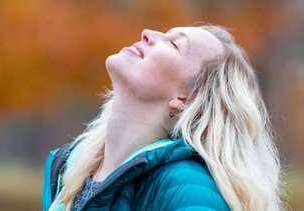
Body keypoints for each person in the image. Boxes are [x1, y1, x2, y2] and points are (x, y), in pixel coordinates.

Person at [42, 25, 284, 211]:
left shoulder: (189, 192)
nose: (147, 33)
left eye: (174, 45)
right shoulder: (65, 168)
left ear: (186, 98)